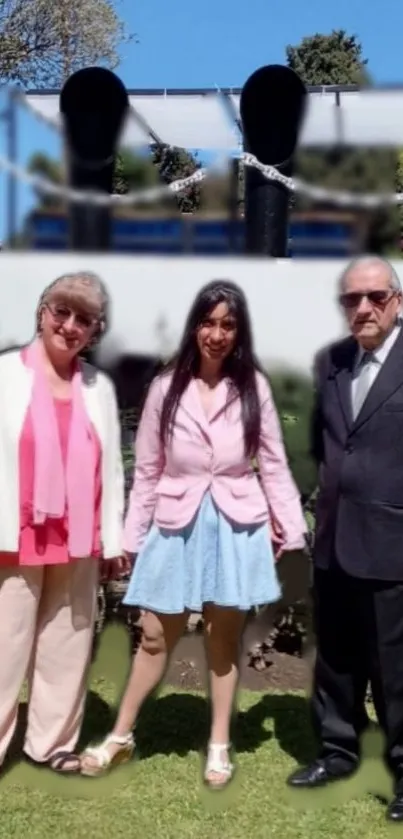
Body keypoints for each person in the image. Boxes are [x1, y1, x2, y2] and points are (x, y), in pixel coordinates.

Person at [80, 278, 307, 785]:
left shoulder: (254, 388)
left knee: (223, 641)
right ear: (194, 327)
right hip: (173, 524)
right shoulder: (166, 388)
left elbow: (272, 464)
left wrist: (291, 531)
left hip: (233, 524)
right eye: (208, 322)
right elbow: (149, 472)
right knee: (156, 637)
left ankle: (219, 744)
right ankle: (120, 736)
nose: (217, 334)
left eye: (228, 324)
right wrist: (129, 541)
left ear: (238, 332)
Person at [287, 254, 403, 822]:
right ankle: (337, 751)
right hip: (334, 537)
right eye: (351, 299)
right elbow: (323, 444)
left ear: (397, 301)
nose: (362, 308)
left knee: (397, 668)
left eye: (375, 297)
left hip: (394, 542)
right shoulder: (330, 363)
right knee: (336, 660)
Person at [0, 271, 127, 776]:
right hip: (15, 531)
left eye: (84, 319)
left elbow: (111, 467)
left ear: (95, 330)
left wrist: (114, 539)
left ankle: (51, 742)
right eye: (62, 312)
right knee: (4, 643)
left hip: (78, 537)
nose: (70, 326)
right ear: (42, 313)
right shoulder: (6, 374)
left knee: (67, 645)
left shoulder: (100, 387)